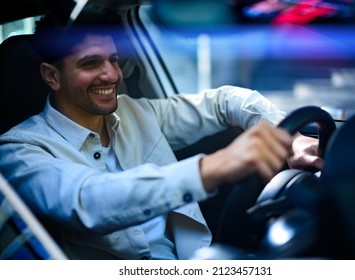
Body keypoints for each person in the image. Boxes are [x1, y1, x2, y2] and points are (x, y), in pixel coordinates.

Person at [0, 4, 322, 260]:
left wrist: (287, 136)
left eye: (113, 59)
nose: (111, 75)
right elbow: (89, 201)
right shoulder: (18, 149)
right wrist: (214, 167)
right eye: (90, 64)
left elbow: (225, 101)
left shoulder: (136, 111)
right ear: (51, 77)